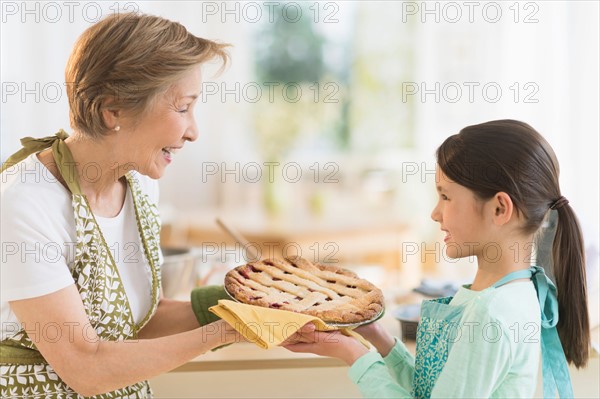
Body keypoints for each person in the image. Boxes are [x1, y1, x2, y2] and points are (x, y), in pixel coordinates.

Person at [0, 12, 241, 398]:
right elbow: (87, 367)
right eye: (183, 108)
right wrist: (230, 329)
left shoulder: (141, 185)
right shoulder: (24, 202)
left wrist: (236, 302)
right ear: (113, 110)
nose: (194, 131)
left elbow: (135, 325)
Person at [285, 120, 590, 398]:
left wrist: (353, 353)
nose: (435, 213)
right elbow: (433, 391)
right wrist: (377, 337)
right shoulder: (501, 294)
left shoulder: (492, 312)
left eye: (446, 197)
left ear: (499, 209)